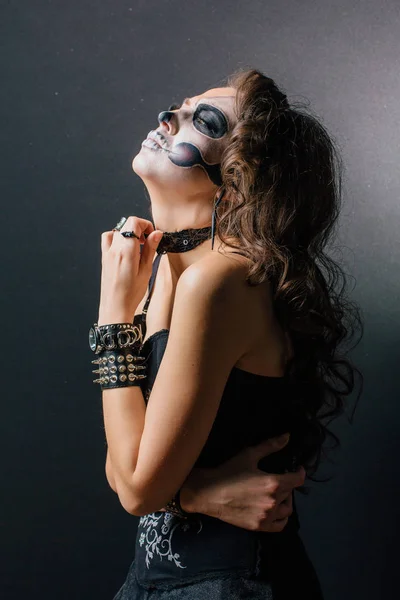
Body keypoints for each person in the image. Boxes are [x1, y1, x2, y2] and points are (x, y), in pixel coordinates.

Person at [92, 68, 363, 599]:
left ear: (242, 178)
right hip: (151, 581)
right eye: (180, 105)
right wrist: (193, 496)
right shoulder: (165, 269)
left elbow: (135, 488)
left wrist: (111, 314)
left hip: (231, 585)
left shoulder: (221, 281)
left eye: (204, 121)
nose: (168, 118)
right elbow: (123, 463)